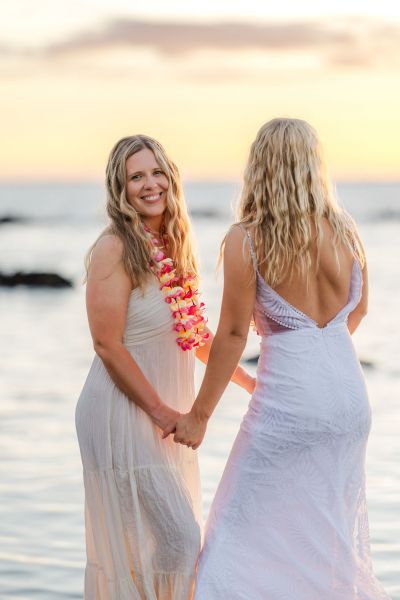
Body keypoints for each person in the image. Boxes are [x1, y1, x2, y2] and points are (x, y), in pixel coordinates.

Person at [166, 119, 392, 599]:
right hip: (349, 400)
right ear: (314, 164)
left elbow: (229, 333)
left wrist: (199, 415)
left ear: (259, 166)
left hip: (290, 403)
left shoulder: (248, 238)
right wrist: (316, 348)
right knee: (324, 535)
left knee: (235, 528)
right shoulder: (346, 230)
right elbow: (359, 309)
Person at [75, 134, 254, 600]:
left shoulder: (172, 245)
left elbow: (196, 337)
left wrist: (252, 383)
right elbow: (106, 344)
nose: (150, 184)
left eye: (157, 173)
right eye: (137, 176)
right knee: (179, 537)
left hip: (166, 415)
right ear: (121, 188)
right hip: (124, 412)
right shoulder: (114, 248)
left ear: (171, 179)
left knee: (166, 541)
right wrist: (158, 412)